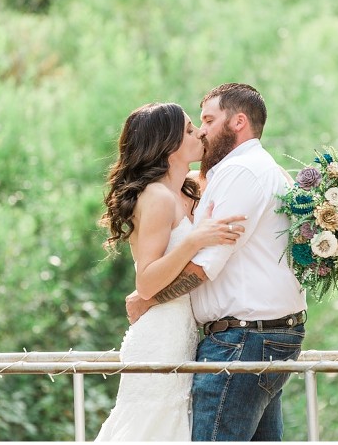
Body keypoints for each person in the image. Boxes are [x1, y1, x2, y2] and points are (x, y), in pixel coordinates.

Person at [126, 83, 308, 441]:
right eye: (194, 128)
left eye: (207, 121)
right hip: (252, 334)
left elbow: (207, 265)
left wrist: (148, 298)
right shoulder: (227, 174)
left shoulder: (240, 172)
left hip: (242, 338)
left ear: (238, 122)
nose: (202, 132)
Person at [95, 102, 247, 441]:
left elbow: (255, 173)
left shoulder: (185, 189)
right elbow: (146, 282)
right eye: (190, 130)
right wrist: (194, 241)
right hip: (159, 336)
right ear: (168, 145)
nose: (200, 134)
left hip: (184, 333)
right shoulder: (156, 197)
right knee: (151, 428)